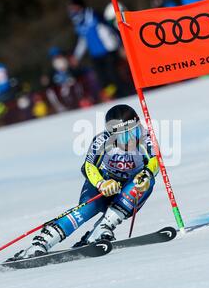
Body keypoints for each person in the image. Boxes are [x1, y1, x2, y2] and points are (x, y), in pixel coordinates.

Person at [9, 104, 159, 260]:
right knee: (87, 209)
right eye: (123, 137)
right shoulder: (102, 140)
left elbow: (155, 161)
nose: (129, 140)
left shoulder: (146, 138)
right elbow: (88, 166)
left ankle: (102, 228)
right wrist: (102, 184)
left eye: (133, 132)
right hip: (104, 182)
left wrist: (147, 174)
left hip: (127, 187)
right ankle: (42, 242)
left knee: (145, 183)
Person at [68, 0, 128, 100]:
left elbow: (110, 29)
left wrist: (120, 45)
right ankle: (114, 97)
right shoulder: (77, 21)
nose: (72, 9)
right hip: (95, 54)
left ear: (79, 5)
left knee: (113, 74)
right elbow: (83, 40)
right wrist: (76, 56)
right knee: (102, 78)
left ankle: (124, 95)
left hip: (108, 50)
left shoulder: (93, 14)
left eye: (73, 6)